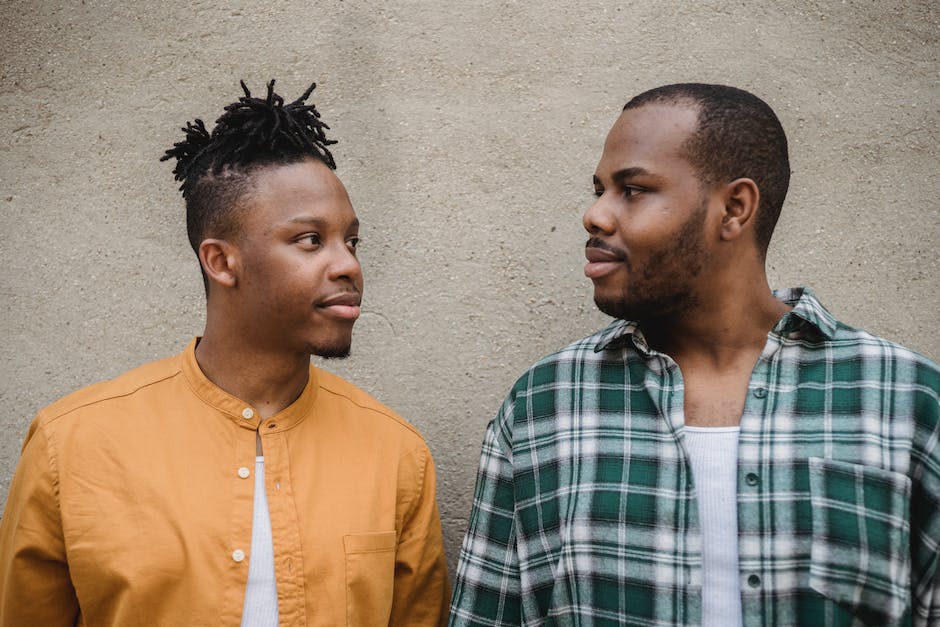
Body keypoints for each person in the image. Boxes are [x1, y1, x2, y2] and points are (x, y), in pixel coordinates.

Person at [449, 83, 939, 626]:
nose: (595, 215)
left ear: (733, 209)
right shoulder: (544, 406)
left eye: (632, 190)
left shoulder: (904, 400)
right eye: (599, 190)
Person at [0, 79, 449, 626]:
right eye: (311, 240)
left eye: (351, 241)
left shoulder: (396, 453)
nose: (348, 265)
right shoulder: (69, 447)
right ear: (221, 261)